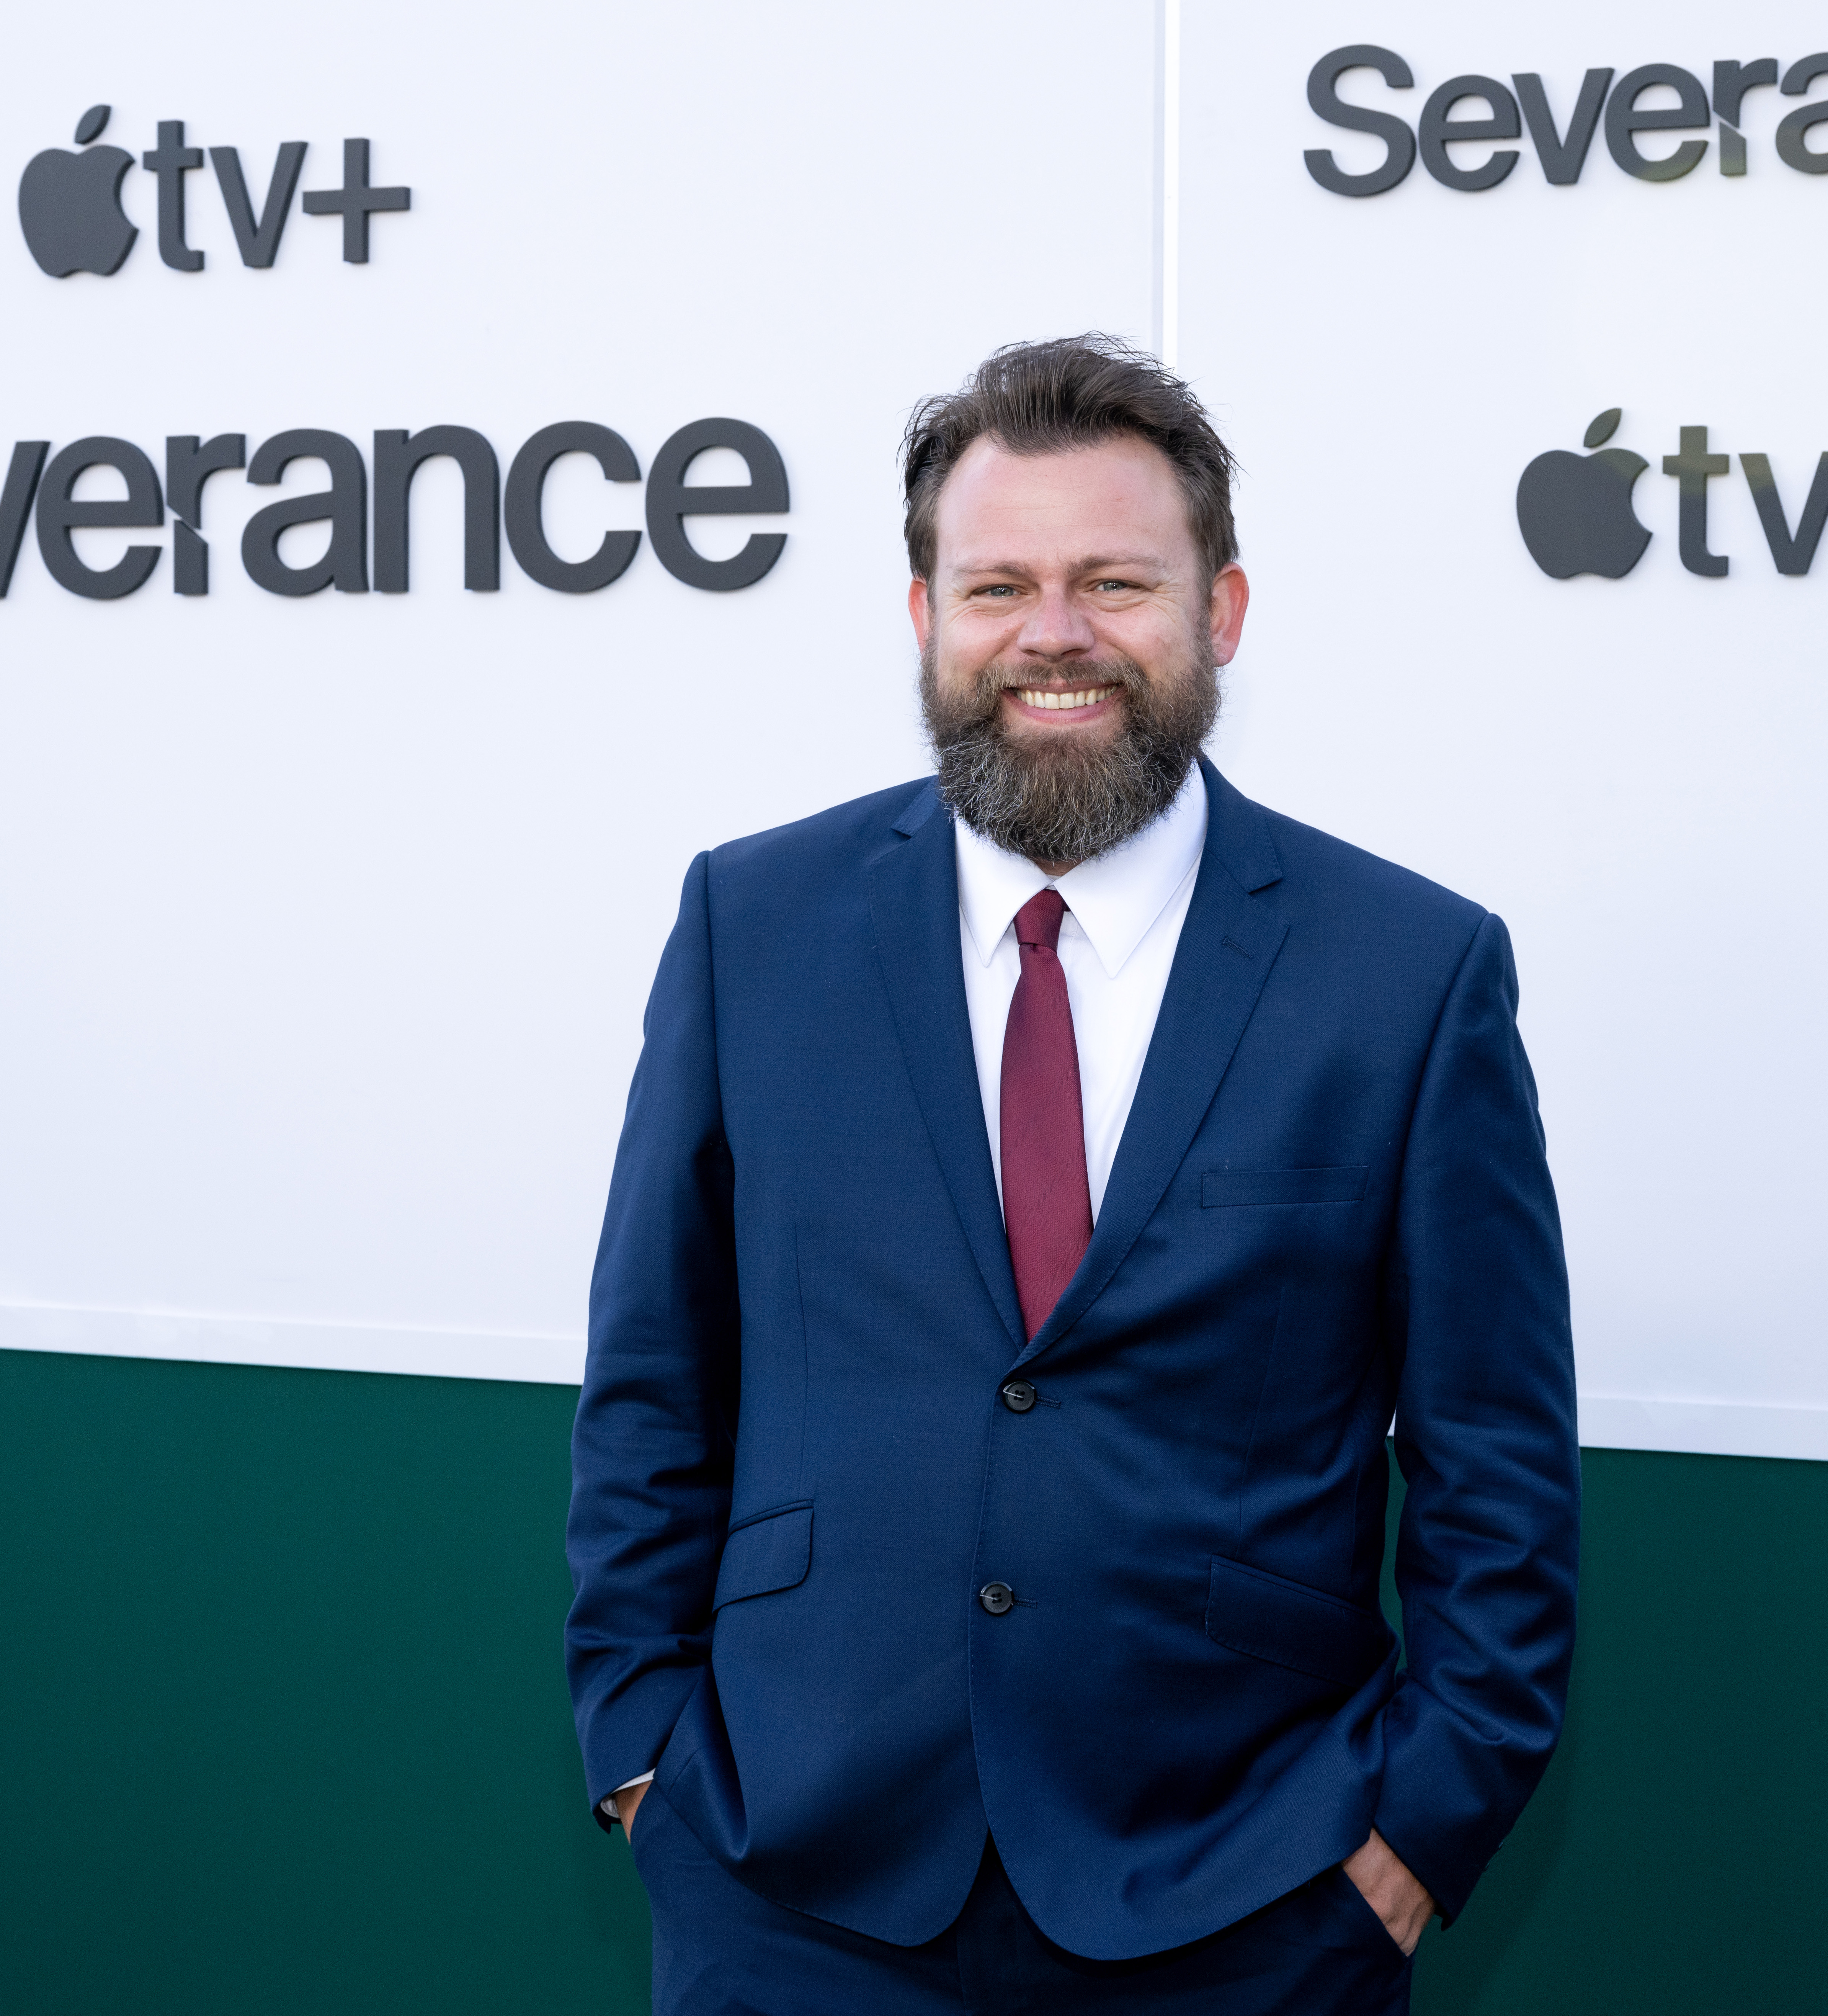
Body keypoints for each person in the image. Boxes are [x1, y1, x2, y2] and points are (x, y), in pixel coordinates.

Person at [566, 334, 1578, 2014]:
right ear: (923, 620)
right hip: (787, 1888)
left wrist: (1415, 1825)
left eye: (1114, 581)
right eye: (998, 587)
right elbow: (655, 1380)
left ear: (1220, 614)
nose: (1052, 635)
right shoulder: (752, 925)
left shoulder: (1404, 971)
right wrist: (638, 1752)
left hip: (1244, 1900)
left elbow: (1494, 1460)